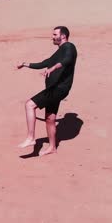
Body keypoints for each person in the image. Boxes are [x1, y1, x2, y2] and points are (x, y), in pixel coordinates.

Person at [16, 26, 78, 156]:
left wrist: (53, 68)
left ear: (63, 36)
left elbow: (67, 60)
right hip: (54, 89)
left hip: (58, 89)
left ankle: (31, 138)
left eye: (55, 34)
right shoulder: (60, 51)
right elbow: (45, 62)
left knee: (29, 104)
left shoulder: (69, 47)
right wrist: (26, 64)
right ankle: (52, 147)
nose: (52, 37)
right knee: (50, 119)